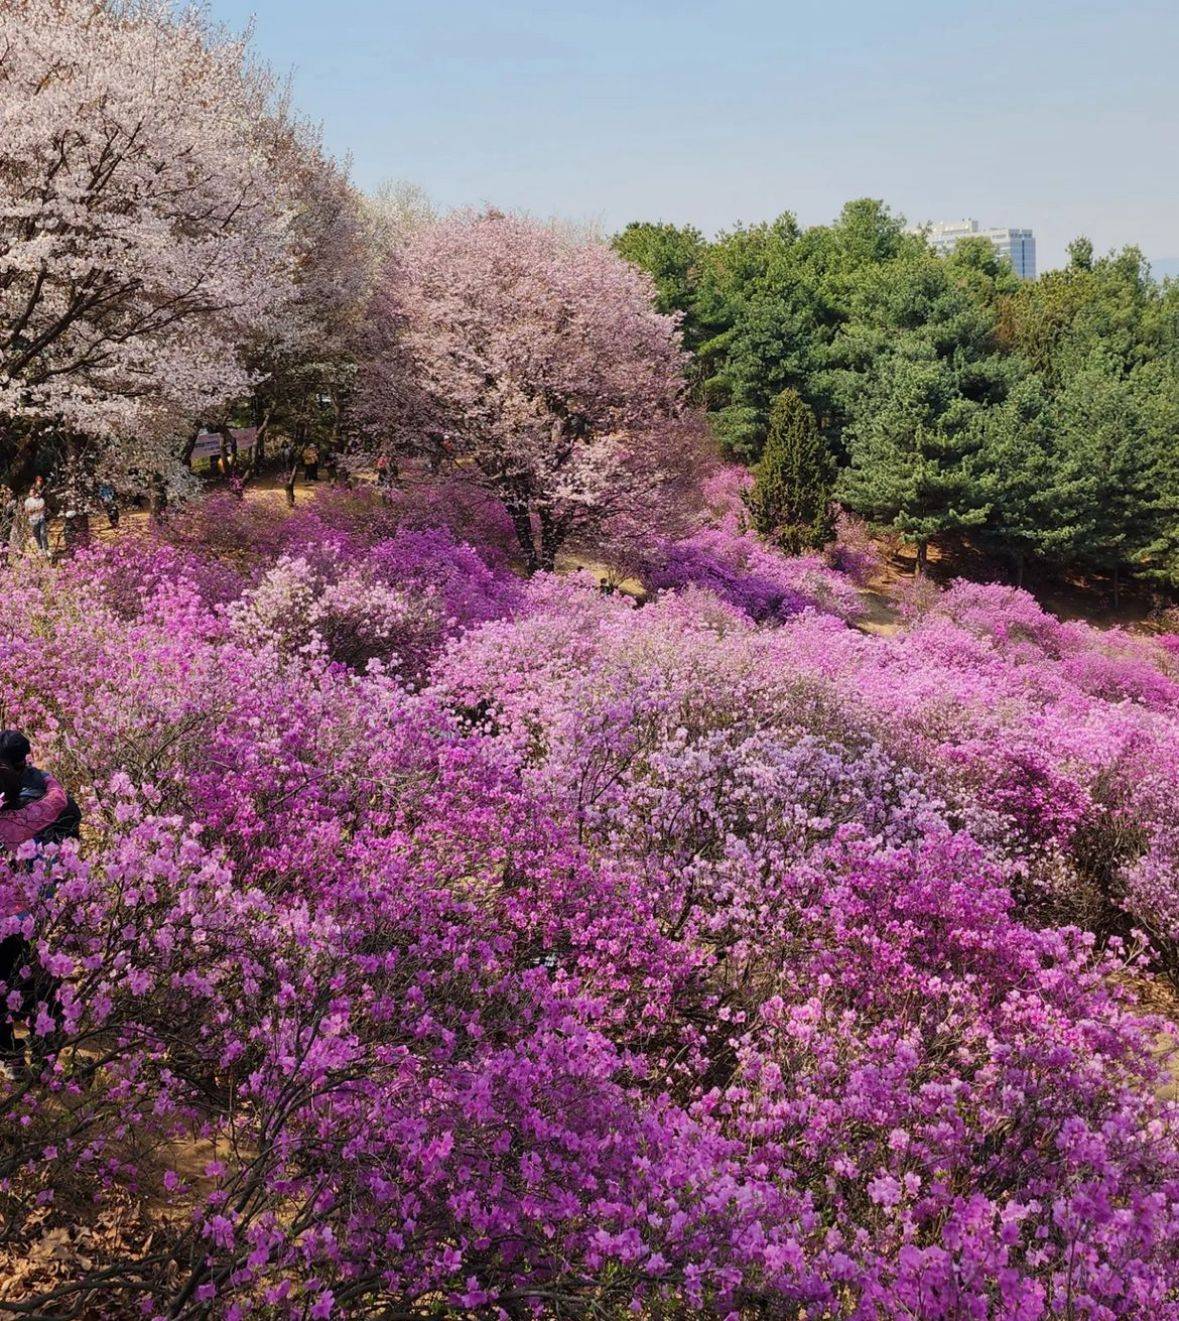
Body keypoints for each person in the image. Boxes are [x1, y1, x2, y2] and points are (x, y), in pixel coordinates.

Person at [0, 762, 69, 1076]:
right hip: (19, 924)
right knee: (38, 986)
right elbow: (57, 802)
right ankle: (45, 1054)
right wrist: (46, 777)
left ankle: (11, 1058)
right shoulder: (19, 823)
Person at [24, 476, 48, 556]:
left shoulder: (43, 488)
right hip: (33, 518)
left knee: (43, 533)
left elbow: (42, 505)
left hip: (41, 515)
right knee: (37, 534)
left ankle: (45, 549)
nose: (39, 482)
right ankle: (40, 549)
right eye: (38, 481)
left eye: (41, 481)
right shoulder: (33, 489)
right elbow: (28, 510)